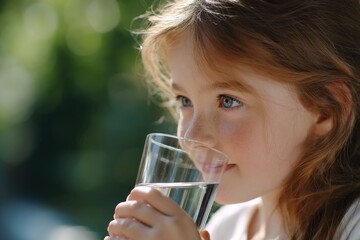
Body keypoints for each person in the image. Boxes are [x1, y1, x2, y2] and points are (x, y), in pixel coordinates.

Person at [105, 0, 360, 239]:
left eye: (228, 101)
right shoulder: (225, 227)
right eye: (185, 101)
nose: (191, 137)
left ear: (327, 107)